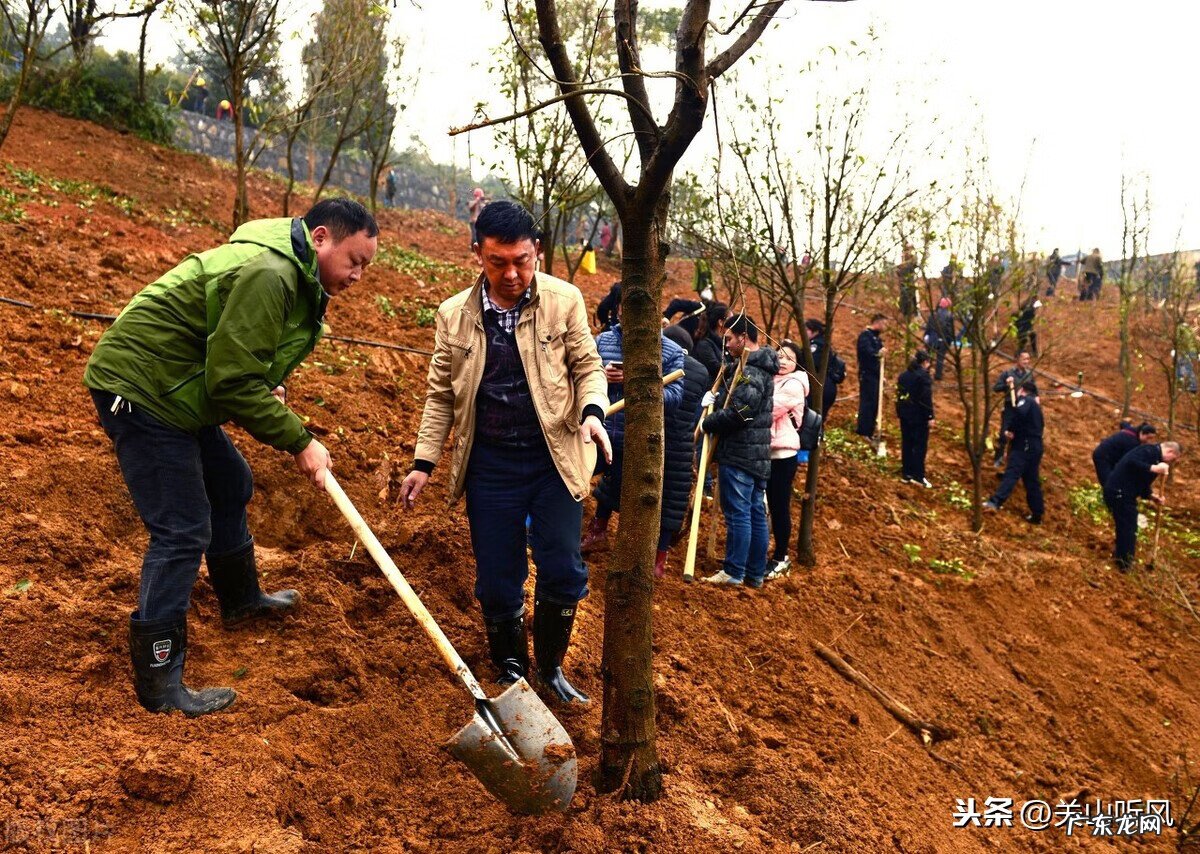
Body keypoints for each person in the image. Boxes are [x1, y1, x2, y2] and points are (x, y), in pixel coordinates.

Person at [83, 199, 378, 717]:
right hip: (143, 390)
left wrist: (266, 386)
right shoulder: (272, 273)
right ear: (322, 238)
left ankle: (241, 602)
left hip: (175, 387)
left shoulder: (291, 269)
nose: (357, 276)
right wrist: (301, 441)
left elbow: (234, 354)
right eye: (355, 261)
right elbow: (230, 381)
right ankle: (160, 684)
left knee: (230, 483)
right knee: (181, 528)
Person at [398, 200, 610, 705]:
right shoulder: (454, 315)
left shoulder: (565, 301)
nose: (512, 273)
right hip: (490, 465)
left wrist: (594, 412)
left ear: (536, 252)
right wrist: (424, 462)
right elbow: (441, 395)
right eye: (499, 262)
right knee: (497, 579)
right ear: (477, 254)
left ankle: (552, 667)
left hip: (554, 458)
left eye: (522, 260)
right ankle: (512, 669)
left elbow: (587, 367)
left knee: (562, 567)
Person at [580, 310, 685, 559]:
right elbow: (583, 377)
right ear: (619, 311)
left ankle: (627, 549)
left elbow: (674, 398)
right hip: (599, 430)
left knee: (628, 496)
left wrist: (634, 383)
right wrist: (600, 377)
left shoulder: (670, 351)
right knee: (572, 480)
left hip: (635, 437)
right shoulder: (603, 341)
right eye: (624, 309)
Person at [700, 316, 778, 587]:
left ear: (744, 337)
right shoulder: (755, 368)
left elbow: (742, 412)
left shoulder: (752, 370)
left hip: (742, 453)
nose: (727, 344)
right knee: (754, 512)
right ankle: (754, 574)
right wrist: (719, 397)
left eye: (730, 338)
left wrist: (709, 421)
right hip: (755, 454)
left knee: (740, 513)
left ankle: (734, 571)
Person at [659, 326, 708, 576]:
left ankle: (600, 527)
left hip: (658, 436)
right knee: (673, 498)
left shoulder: (663, 363)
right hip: (683, 443)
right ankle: (660, 558)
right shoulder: (701, 371)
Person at [765, 340, 810, 579]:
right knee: (766, 506)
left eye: (789, 358)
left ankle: (781, 557)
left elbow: (769, 409)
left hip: (783, 454)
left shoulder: (794, 385)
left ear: (796, 364)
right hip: (765, 451)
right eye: (780, 355)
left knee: (779, 506)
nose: (783, 361)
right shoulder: (770, 378)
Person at [1103, 441, 1181, 572]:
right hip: (1118, 492)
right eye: (1172, 460)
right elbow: (1131, 462)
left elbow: (1142, 482)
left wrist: (1152, 496)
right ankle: (1124, 564)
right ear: (1170, 452)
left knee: (1127, 526)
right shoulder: (1148, 451)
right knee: (1128, 526)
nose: (1170, 463)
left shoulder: (1155, 458)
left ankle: (1122, 559)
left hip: (1125, 494)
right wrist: (1153, 468)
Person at [983, 381, 1045, 523]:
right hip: (1035, 447)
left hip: (1025, 446)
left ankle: (995, 502)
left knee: (1012, 473)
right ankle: (1037, 513)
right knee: (1031, 480)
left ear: (1022, 390)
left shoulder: (1026, 400)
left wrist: (1010, 429)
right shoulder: (1037, 409)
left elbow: (1019, 413)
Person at [992, 352, 1038, 467]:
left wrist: (1034, 401)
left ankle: (1012, 460)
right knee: (1004, 433)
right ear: (1017, 360)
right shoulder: (1008, 373)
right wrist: (1006, 385)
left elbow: (1035, 392)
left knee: (1019, 435)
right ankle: (998, 458)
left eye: (1028, 359)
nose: (1026, 362)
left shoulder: (1029, 375)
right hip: (1010, 407)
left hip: (1023, 409)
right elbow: (996, 388)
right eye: (1024, 359)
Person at [895, 352, 935, 487]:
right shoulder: (924, 377)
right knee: (919, 446)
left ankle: (906, 473)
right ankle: (918, 476)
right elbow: (926, 398)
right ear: (925, 362)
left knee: (907, 443)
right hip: (919, 417)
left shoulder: (903, 376)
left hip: (905, 414)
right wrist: (930, 416)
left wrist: (900, 411)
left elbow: (899, 395)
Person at [1092, 422, 1157, 488]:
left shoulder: (1132, 430)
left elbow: (1123, 424)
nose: (1149, 441)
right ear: (1142, 433)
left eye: (1151, 439)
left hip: (1112, 457)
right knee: (1108, 483)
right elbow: (1129, 461)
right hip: (1103, 457)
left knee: (1114, 478)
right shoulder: (1132, 443)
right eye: (1148, 438)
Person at [855, 314, 887, 438]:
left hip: (875, 376)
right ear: (877, 323)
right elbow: (866, 353)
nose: (885, 327)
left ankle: (870, 430)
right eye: (884, 324)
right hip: (867, 375)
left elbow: (878, 362)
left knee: (874, 403)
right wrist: (877, 354)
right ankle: (863, 430)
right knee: (868, 403)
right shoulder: (865, 336)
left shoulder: (877, 339)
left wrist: (881, 375)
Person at [804, 318, 844, 417]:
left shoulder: (817, 345)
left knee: (813, 419)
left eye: (807, 330)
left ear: (815, 331)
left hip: (822, 387)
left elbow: (811, 363)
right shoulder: (822, 343)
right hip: (825, 386)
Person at [691, 301, 728, 384]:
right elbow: (715, 368)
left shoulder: (724, 343)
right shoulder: (705, 344)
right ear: (721, 322)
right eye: (730, 319)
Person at [924, 297, 956, 381]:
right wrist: (950, 340)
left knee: (929, 357)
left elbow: (928, 327)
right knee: (940, 358)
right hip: (942, 340)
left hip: (932, 339)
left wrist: (926, 335)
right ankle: (938, 375)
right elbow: (950, 330)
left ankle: (926, 373)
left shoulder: (933, 314)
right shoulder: (949, 316)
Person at [896, 244, 918, 319]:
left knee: (912, 296)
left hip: (910, 281)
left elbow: (914, 264)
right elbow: (898, 271)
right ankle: (903, 312)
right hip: (903, 281)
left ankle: (915, 312)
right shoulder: (903, 257)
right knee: (904, 296)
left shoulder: (912, 258)